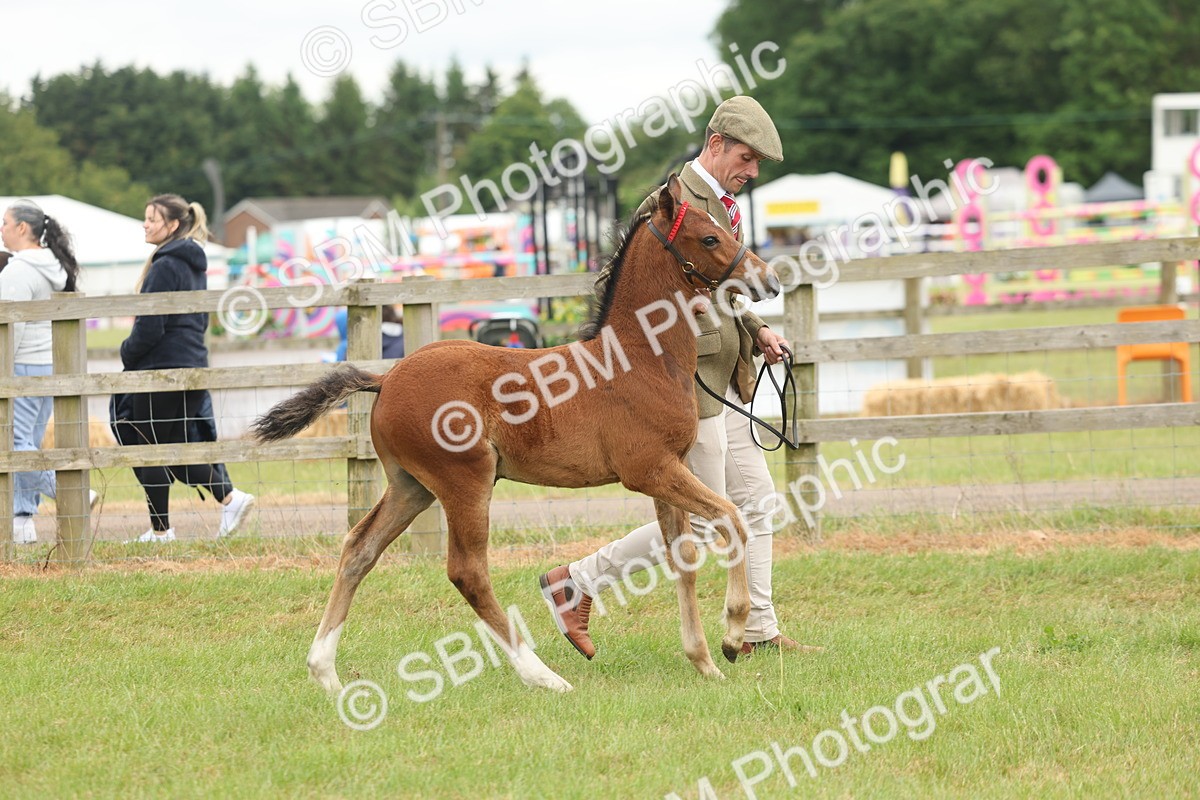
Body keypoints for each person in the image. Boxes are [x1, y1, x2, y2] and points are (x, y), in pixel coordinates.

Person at [539, 96, 822, 658]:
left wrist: (759, 329)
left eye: (758, 163)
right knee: (709, 517)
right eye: (746, 158)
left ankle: (759, 629)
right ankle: (578, 581)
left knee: (756, 503)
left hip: (727, 377)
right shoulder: (671, 204)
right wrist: (671, 314)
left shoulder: (721, 207)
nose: (752, 172)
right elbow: (610, 286)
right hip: (682, 387)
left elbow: (725, 282)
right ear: (715, 145)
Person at [118, 194, 255, 543]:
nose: (145, 224)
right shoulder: (191, 263)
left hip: (163, 368)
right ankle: (166, 526)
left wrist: (127, 353)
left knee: (151, 446)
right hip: (191, 363)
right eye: (145, 217)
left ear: (173, 225)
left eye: (153, 218)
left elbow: (152, 326)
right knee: (171, 444)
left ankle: (223, 499)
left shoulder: (166, 265)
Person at [0, 200, 88, 544]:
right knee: (28, 442)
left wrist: (2, 366)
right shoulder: (54, 265)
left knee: (10, 441)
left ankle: (70, 489)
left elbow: (12, 325)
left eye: (5, 223)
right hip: (47, 362)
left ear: (23, 228)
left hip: (21, 362)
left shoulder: (19, 270)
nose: (1, 230)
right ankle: (23, 520)